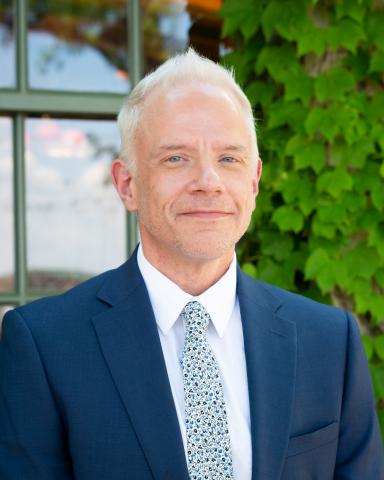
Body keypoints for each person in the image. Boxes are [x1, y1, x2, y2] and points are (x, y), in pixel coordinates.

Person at [0, 49, 382, 480]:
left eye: (228, 159)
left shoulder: (329, 342)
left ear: (254, 182)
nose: (208, 182)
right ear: (127, 184)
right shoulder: (46, 346)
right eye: (176, 158)